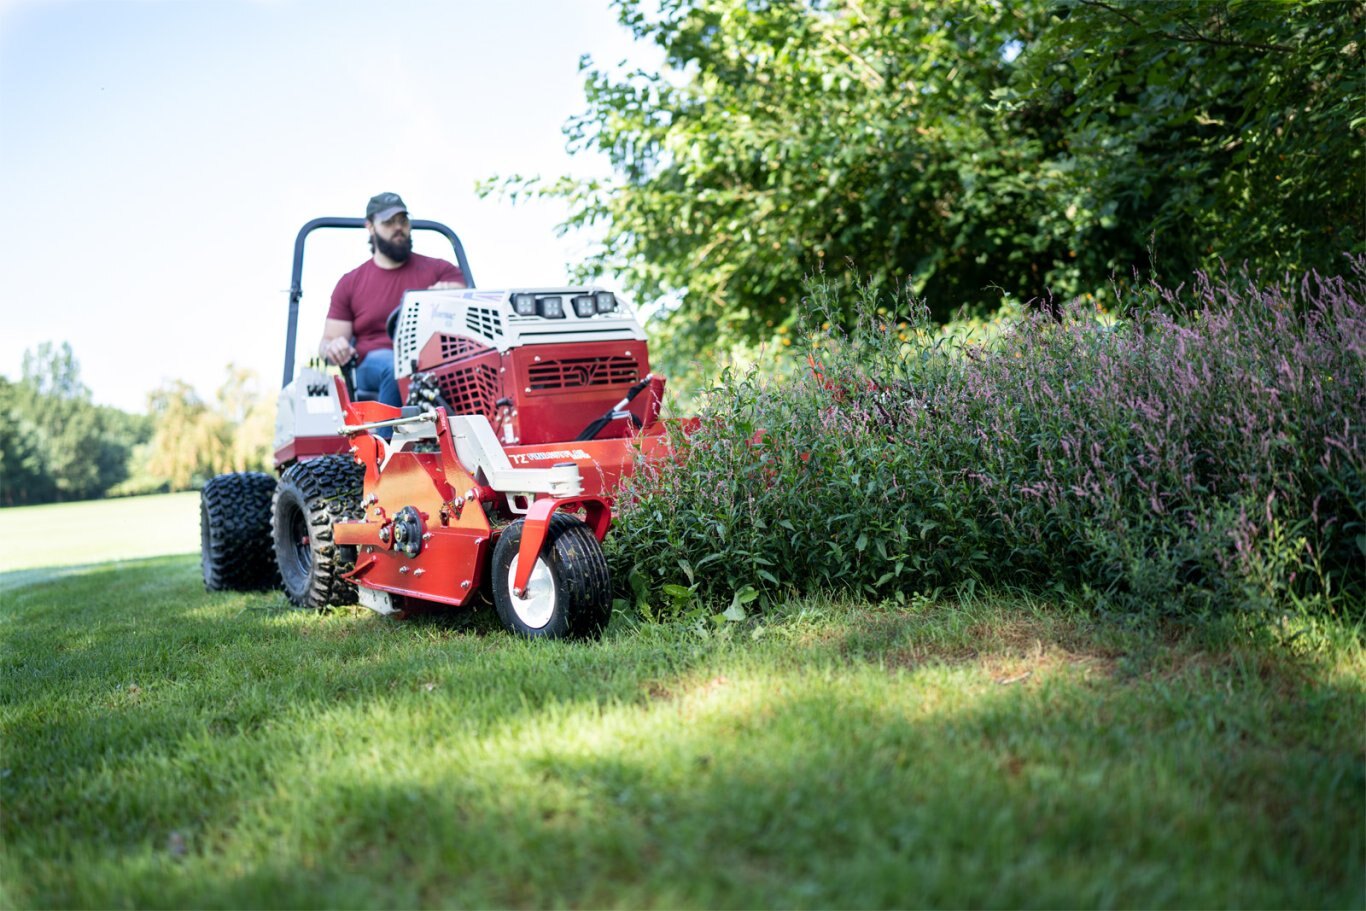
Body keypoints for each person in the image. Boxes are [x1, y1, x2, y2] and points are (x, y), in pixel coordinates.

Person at [319, 192, 465, 406]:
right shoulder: (350, 283)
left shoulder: (441, 271)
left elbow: (469, 309)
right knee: (396, 366)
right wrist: (333, 347)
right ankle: (392, 439)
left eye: (403, 220)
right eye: (389, 222)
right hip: (375, 363)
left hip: (436, 359)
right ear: (370, 227)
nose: (398, 227)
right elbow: (327, 343)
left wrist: (449, 297)